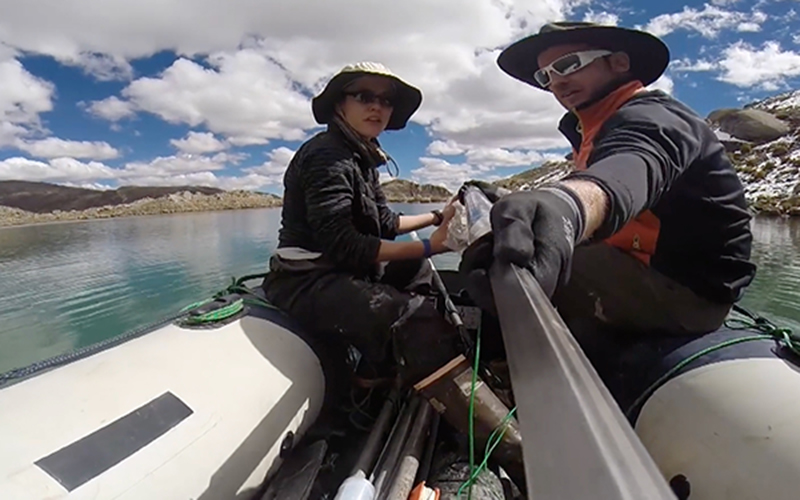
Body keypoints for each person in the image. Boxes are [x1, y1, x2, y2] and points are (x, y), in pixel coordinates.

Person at [459, 22, 757, 336]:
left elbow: (625, 172)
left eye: (567, 65)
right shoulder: (593, 128)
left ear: (619, 63)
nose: (557, 83)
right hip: (635, 264)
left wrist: (563, 208)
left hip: (684, 290)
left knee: (498, 261)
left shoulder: (654, 118)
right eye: (545, 76)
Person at [262, 62, 460, 385]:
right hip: (306, 280)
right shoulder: (327, 155)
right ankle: (375, 381)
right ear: (340, 103)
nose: (376, 106)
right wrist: (431, 244)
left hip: (341, 270)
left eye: (385, 100)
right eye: (364, 96)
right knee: (414, 318)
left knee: (417, 268)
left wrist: (439, 217)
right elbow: (344, 244)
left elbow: (384, 222)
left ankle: (379, 365)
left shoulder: (362, 157)